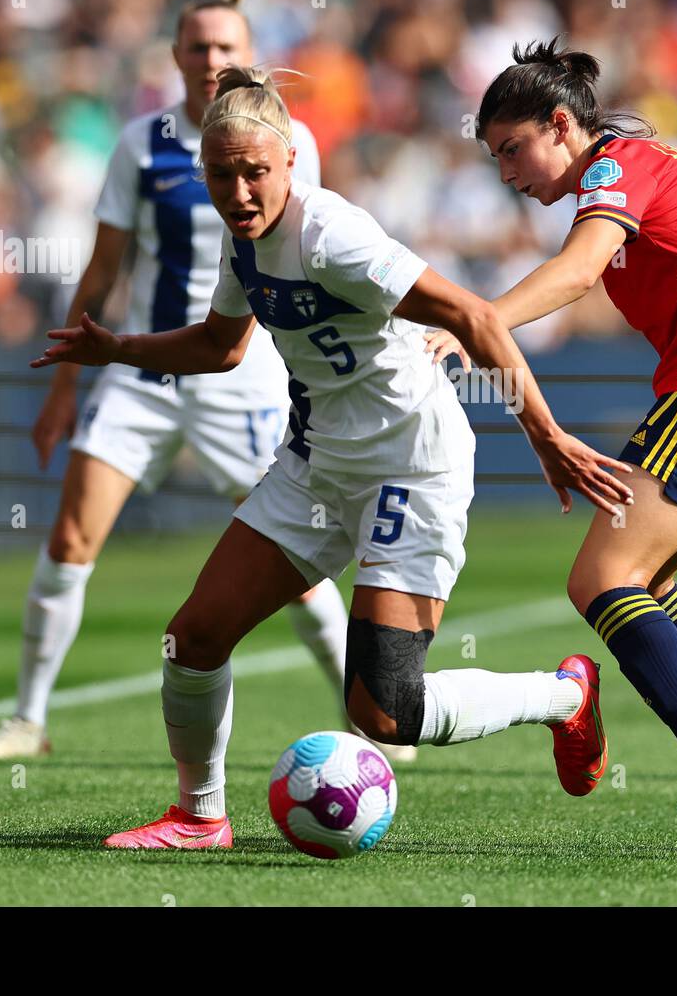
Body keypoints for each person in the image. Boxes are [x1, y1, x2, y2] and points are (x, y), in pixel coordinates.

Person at [32, 64, 635, 849]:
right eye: (221, 175)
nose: (239, 191)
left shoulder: (330, 234)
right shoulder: (241, 239)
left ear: (289, 163)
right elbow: (220, 345)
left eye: (254, 173)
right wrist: (119, 348)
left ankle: (563, 697)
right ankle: (200, 816)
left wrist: (546, 436)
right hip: (315, 464)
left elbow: (475, 316)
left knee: (385, 711)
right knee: (194, 639)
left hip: (410, 466)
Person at [431, 40, 677, 859]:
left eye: (513, 149)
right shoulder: (668, 173)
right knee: (653, 580)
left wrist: (479, 319)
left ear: (562, 125)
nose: (507, 173)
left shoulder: (617, 169)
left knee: (601, 578)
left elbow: (576, 274)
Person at [0, 0, 372, 761]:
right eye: (197, 48)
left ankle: (362, 707)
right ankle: (27, 721)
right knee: (70, 536)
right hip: (143, 368)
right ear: (176, 55)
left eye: (225, 49)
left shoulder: (291, 140)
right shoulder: (140, 144)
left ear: (247, 56)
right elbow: (105, 264)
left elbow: (309, 252)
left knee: (294, 560)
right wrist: (64, 381)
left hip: (240, 372)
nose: (211, 61)